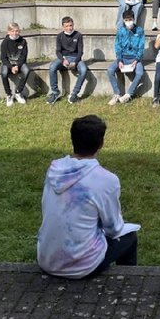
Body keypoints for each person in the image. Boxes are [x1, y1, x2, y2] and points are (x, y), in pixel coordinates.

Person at [37, 115, 139, 279]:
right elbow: (114, 228)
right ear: (101, 144)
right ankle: (127, 283)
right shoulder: (107, 180)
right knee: (129, 238)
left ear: (73, 140)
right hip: (81, 267)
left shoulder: (54, 169)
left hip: (47, 259)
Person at [107, 9, 145, 105]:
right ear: (123, 20)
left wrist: (136, 60)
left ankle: (128, 94)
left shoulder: (139, 31)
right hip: (123, 57)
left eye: (130, 19)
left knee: (140, 73)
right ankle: (117, 93)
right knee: (110, 70)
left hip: (135, 58)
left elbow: (141, 46)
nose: (129, 22)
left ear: (133, 19)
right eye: (126, 20)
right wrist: (119, 60)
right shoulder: (121, 31)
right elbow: (118, 46)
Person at [48, 17, 88, 104]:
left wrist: (75, 62)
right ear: (63, 27)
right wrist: (63, 60)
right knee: (52, 67)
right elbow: (58, 51)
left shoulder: (78, 35)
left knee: (84, 69)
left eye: (71, 25)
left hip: (75, 58)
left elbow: (80, 52)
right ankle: (55, 93)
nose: (69, 28)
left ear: (73, 25)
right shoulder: (59, 36)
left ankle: (74, 94)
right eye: (66, 26)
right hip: (64, 57)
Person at [0, 22, 29, 106]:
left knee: (26, 70)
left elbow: (24, 56)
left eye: (16, 31)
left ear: (19, 31)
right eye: (12, 31)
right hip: (8, 64)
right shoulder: (5, 43)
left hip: (19, 63)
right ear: (8, 32)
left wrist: (17, 66)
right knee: (4, 73)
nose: (15, 33)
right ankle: (9, 94)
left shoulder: (23, 41)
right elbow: (3, 58)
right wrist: (11, 67)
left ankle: (18, 92)